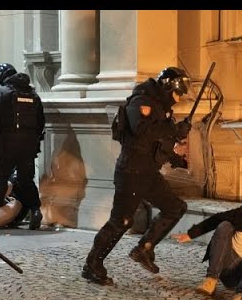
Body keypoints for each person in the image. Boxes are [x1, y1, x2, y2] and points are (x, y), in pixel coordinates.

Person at [82, 67, 192, 286]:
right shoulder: (140, 101)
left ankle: (144, 248)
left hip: (149, 173)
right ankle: (92, 265)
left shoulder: (162, 108)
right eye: (176, 94)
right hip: (131, 172)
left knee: (175, 208)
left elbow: (158, 142)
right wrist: (174, 131)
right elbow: (142, 131)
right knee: (121, 221)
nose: (178, 100)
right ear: (167, 88)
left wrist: (175, 158)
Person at [0, 62, 45, 230]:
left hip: (5, 145)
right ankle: (35, 210)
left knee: (0, 180)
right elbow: (41, 122)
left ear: (2, 77)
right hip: (28, 146)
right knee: (26, 180)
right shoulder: (33, 95)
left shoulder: (2, 93)